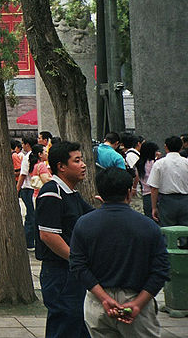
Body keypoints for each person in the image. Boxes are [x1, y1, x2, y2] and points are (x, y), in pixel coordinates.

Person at [70, 168, 170, 338]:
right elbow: (161, 269)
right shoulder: (148, 226)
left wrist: (104, 299)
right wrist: (138, 304)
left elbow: (78, 265)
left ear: (100, 193)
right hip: (137, 298)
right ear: (129, 193)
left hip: (98, 302)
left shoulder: (84, 224)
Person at [35, 141, 94, 338]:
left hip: (73, 271)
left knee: (77, 324)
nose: (83, 165)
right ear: (61, 166)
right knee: (65, 324)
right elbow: (48, 235)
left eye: (82, 159)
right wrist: (76, 260)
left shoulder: (72, 194)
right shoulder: (52, 193)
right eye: (77, 161)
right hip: (60, 273)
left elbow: (92, 218)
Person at [149, 135, 188, 227]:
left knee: (167, 232)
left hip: (166, 201)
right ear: (181, 146)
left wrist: (154, 207)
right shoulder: (186, 163)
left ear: (165, 147)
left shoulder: (159, 164)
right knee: (186, 233)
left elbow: (154, 188)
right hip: (185, 200)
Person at [17, 136, 37, 251]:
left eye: (23, 144)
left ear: (27, 144)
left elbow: (23, 175)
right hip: (30, 189)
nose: (22, 146)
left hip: (29, 189)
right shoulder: (32, 156)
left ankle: (29, 241)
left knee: (31, 216)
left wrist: (17, 189)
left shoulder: (27, 157)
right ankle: (29, 241)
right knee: (31, 215)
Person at [135, 141, 159, 219]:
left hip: (145, 194)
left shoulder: (139, 163)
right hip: (155, 195)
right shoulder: (154, 164)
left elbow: (137, 177)